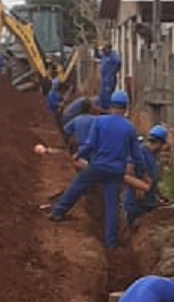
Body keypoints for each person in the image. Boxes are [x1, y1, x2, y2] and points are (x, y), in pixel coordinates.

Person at [49, 91, 143, 249]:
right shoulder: (129, 128)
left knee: (77, 185)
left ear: (111, 105)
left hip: (98, 166)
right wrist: (141, 173)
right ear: (126, 108)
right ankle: (111, 243)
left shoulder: (99, 122)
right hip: (115, 172)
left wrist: (78, 154)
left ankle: (58, 212)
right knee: (112, 206)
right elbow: (136, 155)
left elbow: (90, 145)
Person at [124, 124, 168, 227]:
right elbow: (130, 170)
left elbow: (153, 179)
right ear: (159, 143)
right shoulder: (139, 152)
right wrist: (138, 188)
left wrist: (160, 195)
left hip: (149, 204)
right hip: (136, 204)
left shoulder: (152, 156)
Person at [96, 44, 121, 109]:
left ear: (109, 49)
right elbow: (98, 56)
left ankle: (108, 109)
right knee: (102, 95)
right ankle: (103, 108)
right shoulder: (104, 56)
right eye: (102, 50)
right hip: (104, 79)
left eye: (104, 49)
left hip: (109, 79)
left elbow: (118, 63)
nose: (103, 51)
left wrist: (112, 72)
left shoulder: (113, 57)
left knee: (108, 95)